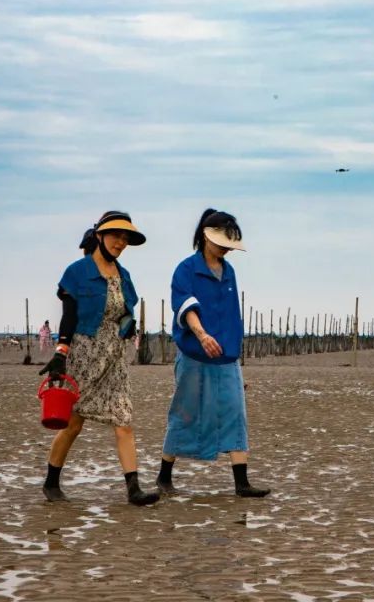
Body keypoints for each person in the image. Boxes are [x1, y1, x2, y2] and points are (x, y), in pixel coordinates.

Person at [38, 211, 160, 506]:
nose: (121, 242)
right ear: (99, 236)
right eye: (116, 235)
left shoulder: (123, 275)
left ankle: (134, 489)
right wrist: (61, 352)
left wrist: (129, 325)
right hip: (84, 355)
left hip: (114, 357)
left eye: (126, 238)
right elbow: (69, 316)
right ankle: (51, 482)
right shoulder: (77, 272)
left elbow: (126, 311)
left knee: (124, 420)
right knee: (73, 424)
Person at [155, 209, 270, 498]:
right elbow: (185, 305)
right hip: (194, 354)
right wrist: (202, 335)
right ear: (206, 236)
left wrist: (234, 352)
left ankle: (241, 482)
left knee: (235, 412)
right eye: (222, 243)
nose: (226, 249)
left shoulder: (229, 272)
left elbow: (231, 314)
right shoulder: (186, 269)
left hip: (226, 356)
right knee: (184, 413)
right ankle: (164, 475)